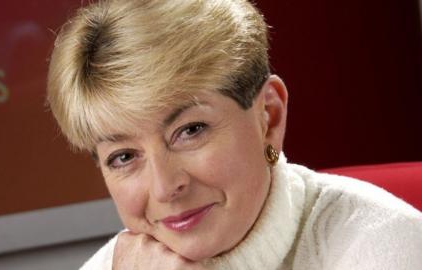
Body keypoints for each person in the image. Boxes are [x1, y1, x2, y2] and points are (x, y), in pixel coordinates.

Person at [46, 0, 422, 269]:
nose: (163, 188)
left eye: (190, 131)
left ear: (268, 117)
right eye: (124, 156)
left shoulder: (388, 247)